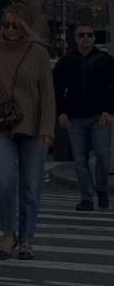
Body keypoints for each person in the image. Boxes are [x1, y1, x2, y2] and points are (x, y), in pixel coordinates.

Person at [0, 4, 56, 261]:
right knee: (4, 182)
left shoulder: (39, 53)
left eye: (14, 25)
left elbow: (47, 94)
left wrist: (47, 128)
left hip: (33, 127)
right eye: (5, 25)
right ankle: (8, 234)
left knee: (31, 187)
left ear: (25, 26)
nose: (9, 30)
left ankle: (27, 239)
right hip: (0, 126)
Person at [53, 22, 114, 211]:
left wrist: (109, 111)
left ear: (94, 38)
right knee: (80, 161)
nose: (86, 38)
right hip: (75, 119)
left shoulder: (105, 60)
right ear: (75, 38)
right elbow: (56, 89)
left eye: (89, 35)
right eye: (81, 35)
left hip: (100, 117)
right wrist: (60, 113)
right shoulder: (66, 61)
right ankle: (87, 198)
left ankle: (102, 189)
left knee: (103, 157)